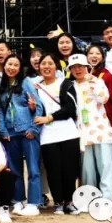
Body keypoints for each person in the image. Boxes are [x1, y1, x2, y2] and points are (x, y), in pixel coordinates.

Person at [32, 53, 82, 214]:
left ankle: (69, 202)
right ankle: (58, 202)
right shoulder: (35, 88)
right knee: (53, 170)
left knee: (69, 169)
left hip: (68, 132)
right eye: (43, 63)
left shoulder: (66, 84)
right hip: (47, 135)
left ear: (56, 67)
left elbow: (70, 109)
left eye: (50, 63)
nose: (46, 66)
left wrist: (49, 117)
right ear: (39, 67)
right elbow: (35, 111)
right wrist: (32, 108)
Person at [0, 54, 43, 216]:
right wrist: (2, 130)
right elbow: (0, 110)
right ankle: (18, 200)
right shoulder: (1, 85)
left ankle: (34, 202)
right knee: (14, 169)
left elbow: (38, 106)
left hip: (27, 131)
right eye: (9, 64)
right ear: (4, 66)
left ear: (20, 68)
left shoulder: (26, 83)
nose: (12, 68)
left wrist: (34, 129)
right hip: (10, 133)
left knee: (33, 168)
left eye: (16, 65)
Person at [66, 54, 112, 201]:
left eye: (80, 66)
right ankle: (89, 198)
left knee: (105, 165)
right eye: (74, 67)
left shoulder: (97, 81)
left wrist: (93, 81)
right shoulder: (69, 86)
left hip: (101, 129)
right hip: (82, 131)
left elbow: (104, 98)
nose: (77, 70)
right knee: (87, 169)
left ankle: (107, 198)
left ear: (87, 67)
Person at [87, 44, 112, 200]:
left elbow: (111, 100)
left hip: (104, 124)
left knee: (108, 162)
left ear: (102, 57)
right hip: (87, 127)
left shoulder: (106, 76)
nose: (94, 56)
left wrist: (110, 121)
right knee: (90, 164)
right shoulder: (80, 76)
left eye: (97, 53)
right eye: (91, 53)